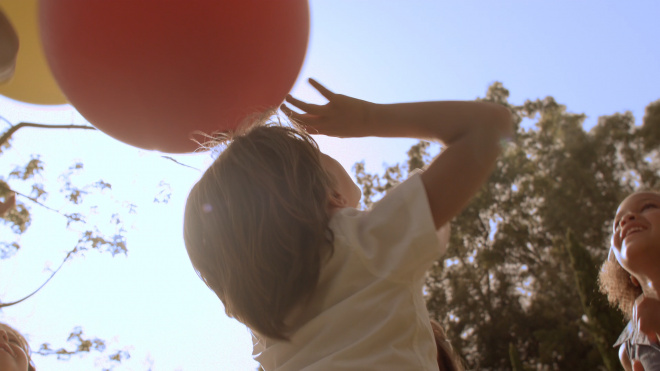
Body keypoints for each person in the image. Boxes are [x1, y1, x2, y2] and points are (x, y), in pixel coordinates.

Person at [183, 78, 512, 370]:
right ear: (332, 196)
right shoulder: (365, 244)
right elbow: (490, 125)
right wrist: (368, 118)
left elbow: (238, 241)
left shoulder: (267, 329)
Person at [599, 191, 660, 371]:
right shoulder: (631, 350)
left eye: (648, 206)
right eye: (617, 224)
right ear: (629, 276)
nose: (626, 219)